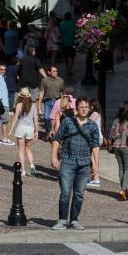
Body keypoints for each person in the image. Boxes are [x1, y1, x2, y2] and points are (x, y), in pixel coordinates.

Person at [50, 96, 104, 229]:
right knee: (65, 193)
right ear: (77, 108)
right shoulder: (67, 122)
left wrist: (96, 164)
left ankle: (74, 219)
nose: (84, 109)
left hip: (84, 164)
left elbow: (95, 146)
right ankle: (62, 219)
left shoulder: (92, 126)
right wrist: (54, 157)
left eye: (86, 107)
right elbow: (57, 139)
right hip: (68, 162)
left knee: (79, 194)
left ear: (89, 108)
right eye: (81, 107)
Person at [110, 103, 128, 198]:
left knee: (121, 168)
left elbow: (112, 135)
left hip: (116, 146)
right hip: (127, 147)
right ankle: (123, 189)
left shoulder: (116, 120)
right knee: (127, 169)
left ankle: (125, 192)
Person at [10, 91, 40, 175]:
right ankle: (31, 165)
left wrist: (11, 130)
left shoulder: (19, 105)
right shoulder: (33, 105)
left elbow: (15, 118)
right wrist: (36, 131)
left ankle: (22, 170)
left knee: (21, 149)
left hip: (21, 127)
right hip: (30, 128)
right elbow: (35, 119)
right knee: (28, 149)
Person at [40, 65, 66, 129]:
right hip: (47, 101)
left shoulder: (60, 80)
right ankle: (49, 131)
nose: (55, 72)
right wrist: (39, 105)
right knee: (46, 117)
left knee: (56, 118)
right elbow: (42, 92)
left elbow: (62, 92)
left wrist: (63, 103)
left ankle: (54, 131)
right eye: (53, 71)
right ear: (49, 72)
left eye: (56, 71)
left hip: (57, 101)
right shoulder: (44, 80)